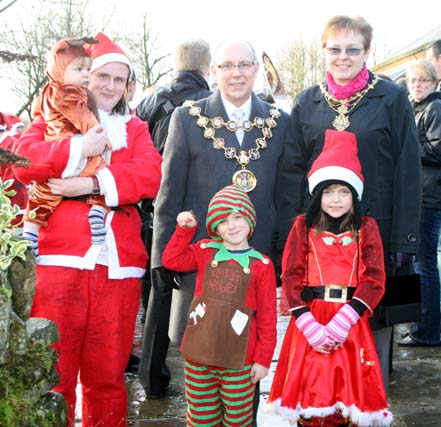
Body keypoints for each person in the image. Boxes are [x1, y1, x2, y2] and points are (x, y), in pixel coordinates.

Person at [12, 32, 162, 427]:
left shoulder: (137, 128)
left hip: (118, 265)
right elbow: (23, 163)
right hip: (59, 259)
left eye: (119, 79)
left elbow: (150, 174)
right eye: (102, 77)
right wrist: (80, 149)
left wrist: (93, 184)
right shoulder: (50, 120)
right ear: (84, 78)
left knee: (109, 377)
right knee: (54, 375)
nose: (111, 87)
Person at [276, 15, 421, 390]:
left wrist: (405, 239)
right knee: (320, 343)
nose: (343, 57)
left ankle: (369, 404)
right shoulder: (307, 101)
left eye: (352, 49)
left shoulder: (391, 97)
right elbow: (293, 171)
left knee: (371, 339)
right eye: (335, 49)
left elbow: (408, 169)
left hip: (376, 232)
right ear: (324, 51)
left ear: (366, 52)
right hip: (319, 241)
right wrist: (294, 237)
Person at [151, 39, 289, 424]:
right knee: (200, 361)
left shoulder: (279, 122)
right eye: (227, 66)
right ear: (214, 71)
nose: (236, 73)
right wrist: (164, 262)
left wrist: (284, 257)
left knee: (248, 364)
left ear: (256, 70)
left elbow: (287, 191)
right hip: (200, 261)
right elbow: (169, 192)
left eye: (244, 65)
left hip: (255, 262)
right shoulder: (187, 117)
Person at [267, 129, 392, 427]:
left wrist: (346, 318)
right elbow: (292, 275)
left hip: (349, 323)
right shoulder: (302, 227)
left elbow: (374, 277)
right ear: (317, 194)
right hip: (311, 321)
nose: (335, 200)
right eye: (328, 192)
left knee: (348, 403)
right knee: (309, 396)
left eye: (344, 192)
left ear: (355, 195)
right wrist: (308, 325)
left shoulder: (367, 228)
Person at [135, 38, 212, 398]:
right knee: (191, 293)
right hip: (189, 212)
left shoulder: (149, 100)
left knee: (155, 294)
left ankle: (151, 376)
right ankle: (207, 373)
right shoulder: (207, 104)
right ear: (207, 66)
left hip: (148, 208)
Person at [163, 184, 277, 427]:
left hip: (239, 361)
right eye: (223, 221)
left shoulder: (262, 265)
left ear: (249, 219)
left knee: (237, 420)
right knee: (200, 419)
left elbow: (268, 319)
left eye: (237, 217)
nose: (232, 225)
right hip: (198, 356)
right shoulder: (206, 251)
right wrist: (184, 231)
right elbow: (171, 259)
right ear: (215, 227)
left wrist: (263, 360)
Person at [21, 37, 112, 260]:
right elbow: (82, 118)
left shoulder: (46, 93)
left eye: (89, 69)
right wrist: (96, 136)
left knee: (42, 197)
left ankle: (30, 233)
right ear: (59, 69)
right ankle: (98, 213)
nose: (86, 75)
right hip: (72, 155)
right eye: (79, 69)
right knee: (102, 173)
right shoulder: (69, 92)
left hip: (56, 159)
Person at [397, 59, 441, 347]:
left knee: (426, 265)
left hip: (430, 196)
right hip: (421, 194)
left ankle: (428, 331)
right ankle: (421, 324)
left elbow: (437, 148)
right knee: (419, 263)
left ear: (434, 83)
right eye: (413, 81)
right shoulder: (418, 108)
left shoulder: (435, 108)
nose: (417, 85)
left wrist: (407, 146)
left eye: (423, 81)